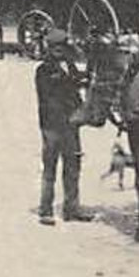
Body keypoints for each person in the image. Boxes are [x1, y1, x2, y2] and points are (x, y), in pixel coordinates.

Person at [35, 29, 92, 225]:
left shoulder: (69, 66)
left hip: (70, 125)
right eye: (55, 47)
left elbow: (79, 83)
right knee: (50, 167)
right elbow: (49, 99)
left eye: (62, 47)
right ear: (49, 49)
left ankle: (72, 208)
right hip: (53, 126)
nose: (59, 50)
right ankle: (45, 210)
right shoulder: (43, 70)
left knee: (73, 166)